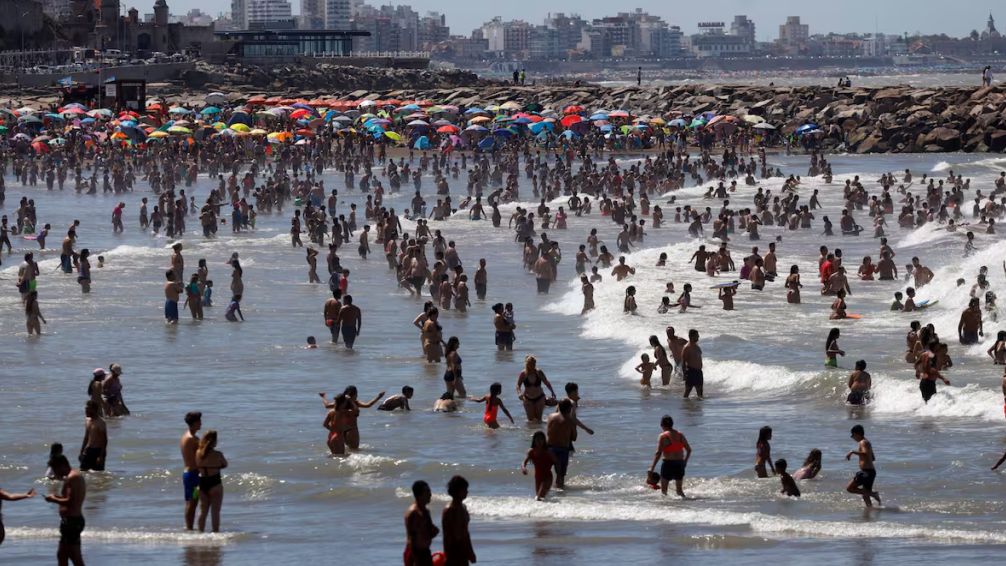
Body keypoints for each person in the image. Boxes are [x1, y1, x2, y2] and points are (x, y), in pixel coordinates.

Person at [44, 454, 86, 566]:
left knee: (75, 556)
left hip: (72, 522)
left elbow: (70, 501)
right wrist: (55, 497)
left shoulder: (72, 477)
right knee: (62, 555)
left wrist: (53, 499)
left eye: (55, 469)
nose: (55, 473)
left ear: (62, 465)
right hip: (70, 521)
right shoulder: (74, 476)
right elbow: (70, 498)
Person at [647, 415, 691, 497]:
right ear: (672, 424)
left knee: (664, 492)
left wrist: (652, 467)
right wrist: (685, 462)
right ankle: (686, 503)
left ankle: (666, 505)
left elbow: (658, 453)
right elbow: (689, 450)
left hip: (668, 464)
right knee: (679, 491)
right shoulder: (680, 435)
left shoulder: (663, 436)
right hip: (679, 463)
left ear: (661, 425)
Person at [196, 430, 228, 532]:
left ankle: (200, 533)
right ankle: (215, 533)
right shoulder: (218, 454)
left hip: (201, 483)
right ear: (215, 441)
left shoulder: (198, 453)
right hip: (215, 483)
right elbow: (225, 464)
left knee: (202, 511)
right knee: (215, 511)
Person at [442, 475, 476, 565]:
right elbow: (451, 536)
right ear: (457, 491)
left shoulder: (463, 507)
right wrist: (447, 557)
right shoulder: (450, 510)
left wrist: (470, 551)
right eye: (465, 489)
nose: (467, 491)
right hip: (453, 553)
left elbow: (465, 532)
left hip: (462, 552)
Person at [845, 425, 881, 507]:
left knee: (850, 488)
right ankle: (869, 510)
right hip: (871, 472)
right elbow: (873, 458)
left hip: (866, 472)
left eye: (852, 435)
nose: (852, 437)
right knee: (865, 495)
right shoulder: (867, 442)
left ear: (857, 434)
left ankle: (874, 494)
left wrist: (852, 452)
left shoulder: (863, 442)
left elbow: (865, 454)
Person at [405, 480, 439, 566]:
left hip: (425, 552)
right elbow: (412, 539)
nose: (430, 494)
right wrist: (416, 560)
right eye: (427, 492)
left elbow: (429, 532)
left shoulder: (426, 511)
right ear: (419, 495)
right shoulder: (414, 513)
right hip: (416, 554)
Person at [546, 399, 577, 490]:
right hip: (562, 449)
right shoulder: (570, 420)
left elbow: (548, 432)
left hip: (549, 448)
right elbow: (574, 437)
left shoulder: (550, 416)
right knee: (561, 474)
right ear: (569, 409)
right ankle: (560, 491)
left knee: (547, 471)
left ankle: (546, 489)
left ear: (559, 407)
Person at [516, 356, 556, 422]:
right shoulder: (523, 374)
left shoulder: (539, 372)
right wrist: (519, 393)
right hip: (527, 398)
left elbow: (546, 382)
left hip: (539, 397)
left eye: (534, 363)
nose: (533, 365)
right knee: (530, 420)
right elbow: (518, 385)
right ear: (527, 364)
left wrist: (552, 392)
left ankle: (540, 428)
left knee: (539, 420)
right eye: (531, 364)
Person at [180, 411, 201, 530]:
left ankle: (190, 527)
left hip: (190, 474)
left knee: (192, 501)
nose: (201, 424)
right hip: (193, 475)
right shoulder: (191, 439)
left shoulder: (186, 436)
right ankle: (189, 528)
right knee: (192, 502)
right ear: (194, 423)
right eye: (199, 421)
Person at [521, 431, 556, 501]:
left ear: (544, 440)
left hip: (547, 477)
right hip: (538, 477)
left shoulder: (548, 451)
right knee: (539, 498)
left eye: (541, 439)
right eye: (537, 439)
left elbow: (557, 462)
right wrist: (523, 468)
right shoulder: (531, 452)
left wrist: (559, 473)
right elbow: (524, 462)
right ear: (534, 440)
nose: (539, 441)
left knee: (539, 497)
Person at [79, 401, 107, 472]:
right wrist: (81, 452)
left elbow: (104, 440)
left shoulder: (101, 422)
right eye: (85, 409)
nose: (85, 411)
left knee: (98, 473)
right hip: (88, 450)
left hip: (98, 451)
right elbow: (86, 437)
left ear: (93, 410)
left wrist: (101, 456)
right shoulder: (87, 420)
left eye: (87, 409)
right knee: (83, 471)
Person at [681, 329, 703, 399]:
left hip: (698, 372)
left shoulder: (696, 346)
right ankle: (685, 404)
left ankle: (699, 404)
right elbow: (683, 362)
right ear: (692, 336)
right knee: (687, 390)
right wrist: (684, 374)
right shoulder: (687, 347)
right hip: (691, 371)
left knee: (700, 392)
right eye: (697, 335)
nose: (698, 337)